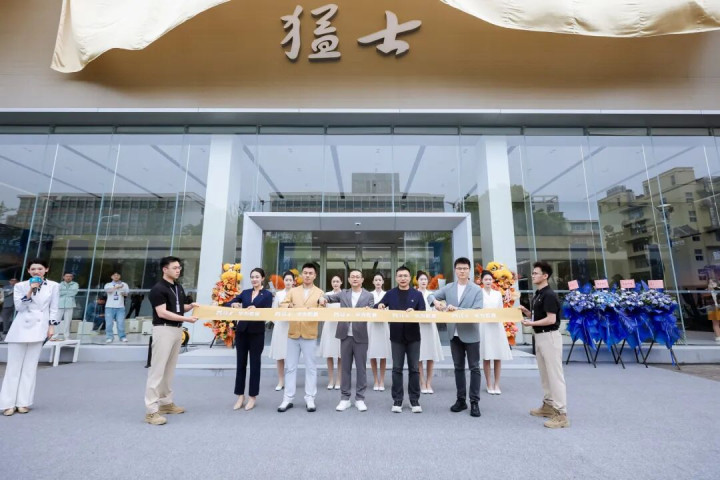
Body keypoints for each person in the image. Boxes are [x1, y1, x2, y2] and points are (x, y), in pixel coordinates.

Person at [144, 256, 199, 426]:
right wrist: (187, 319)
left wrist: (191, 307)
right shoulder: (158, 289)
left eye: (179, 267)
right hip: (163, 330)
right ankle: (151, 411)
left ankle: (166, 403)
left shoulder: (177, 287)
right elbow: (162, 312)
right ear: (165, 269)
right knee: (157, 371)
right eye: (174, 267)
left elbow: (178, 308)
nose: (178, 270)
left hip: (177, 330)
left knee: (169, 370)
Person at [1, 259, 59, 416]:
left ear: (46, 270)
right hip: (20, 328)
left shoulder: (53, 286)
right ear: (28, 271)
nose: (36, 271)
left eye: (40, 268)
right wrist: (30, 290)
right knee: (13, 367)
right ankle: (7, 404)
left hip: (39, 328)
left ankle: (23, 402)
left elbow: (54, 307)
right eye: (33, 269)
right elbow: (19, 307)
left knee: (30, 367)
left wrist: (51, 327)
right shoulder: (20, 286)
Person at [428, 257, 484, 418]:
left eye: (465, 268)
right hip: (454, 334)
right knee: (458, 368)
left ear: (469, 270)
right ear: (455, 270)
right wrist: (436, 303)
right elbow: (430, 295)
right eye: (459, 268)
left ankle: (474, 402)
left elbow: (477, 311)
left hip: (471, 333)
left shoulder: (476, 289)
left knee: (474, 368)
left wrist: (457, 309)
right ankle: (461, 400)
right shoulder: (449, 287)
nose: (462, 271)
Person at [519, 261, 570, 429]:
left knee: (555, 376)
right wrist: (527, 313)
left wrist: (531, 324)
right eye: (533, 273)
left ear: (545, 276)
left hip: (549, 337)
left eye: (536, 273)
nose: (532, 275)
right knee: (545, 375)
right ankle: (548, 405)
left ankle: (561, 414)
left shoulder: (549, 294)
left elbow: (551, 319)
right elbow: (538, 316)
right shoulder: (538, 294)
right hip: (540, 337)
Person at [319, 269, 375, 412]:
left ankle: (360, 399)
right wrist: (322, 298)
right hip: (345, 335)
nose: (355, 279)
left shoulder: (369, 295)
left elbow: (373, 310)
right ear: (349, 280)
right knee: (345, 368)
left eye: (357, 277)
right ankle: (345, 398)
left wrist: (369, 309)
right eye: (352, 277)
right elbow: (329, 297)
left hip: (361, 335)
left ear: (362, 280)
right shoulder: (343, 293)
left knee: (361, 369)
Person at [377, 266, 426, 413]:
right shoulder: (390, 294)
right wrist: (380, 305)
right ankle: (397, 400)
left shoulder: (417, 294)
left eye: (405, 276)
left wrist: (415, 312)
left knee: (414, 369)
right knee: (397, 369)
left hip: (413, 337)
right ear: (396, 278)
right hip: (396, 336)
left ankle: (414, 400)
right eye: (400, 276)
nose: (403, 278)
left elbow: (423, 312)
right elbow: (378, 306)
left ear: (410, 278)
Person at [278, 262, 324, 413]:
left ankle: (310, 398)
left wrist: (321, 305)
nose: (307, 275)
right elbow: (282, 305)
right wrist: (290, 307)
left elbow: (322, 311)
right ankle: (287, 399)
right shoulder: (293, 291)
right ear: (301, 274)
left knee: (311, 367)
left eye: (310, 273)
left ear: (315, 275)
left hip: (309, 333)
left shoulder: (319, 292)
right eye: (305, 273)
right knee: (290, 367)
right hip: (293, 333)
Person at [228, 267, 273, 411]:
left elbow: (268, 310)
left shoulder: (267, 294)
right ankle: (240, 396)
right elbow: (231, 302)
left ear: (262, 278)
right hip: (242, 332)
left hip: (256, 333)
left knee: (255, 365)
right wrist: (234, 303)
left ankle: (252, 396)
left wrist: (256, 310)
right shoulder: (245, 292)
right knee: (240, 364)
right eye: (252, 277)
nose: (254, 279)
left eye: (257, 277)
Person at [478, 270, 512, 394]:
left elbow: (500, 310)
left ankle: (497, 384)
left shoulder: (497, 294)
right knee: (486, 355)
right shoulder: (479, 293)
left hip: (496, 326)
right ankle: (489, 384)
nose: (488, 281)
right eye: (486, 279)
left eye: (490, 279)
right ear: (482, 281)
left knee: (497, 355)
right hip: (484, 326)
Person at [415, 270, 444, 394]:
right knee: (419, 356)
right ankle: (422, 382)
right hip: (418, 327)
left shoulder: (432, 295)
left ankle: (429, 383)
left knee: (430, 355)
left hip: (430, 327)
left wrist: (439, 308)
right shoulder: (413, 294)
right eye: (421, 279)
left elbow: (437, 310)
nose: (423, 281)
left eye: (425, 279)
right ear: (417, 281)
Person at [267, 271, 295, 391]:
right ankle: (281, 380)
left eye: (290, 280)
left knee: (291, 356)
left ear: (293, 281)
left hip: (292, 327)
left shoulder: (297, 294)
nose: (288, 282)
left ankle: (290, 380)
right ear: (283, 281)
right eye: (286, 280)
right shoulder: (279, 294)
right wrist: (278, 322)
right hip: (280, 328)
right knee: (280, 355)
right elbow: (274, 311)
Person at [317, 275, 342, 389]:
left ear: (341, 282)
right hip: (329, 327)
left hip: (340, 326)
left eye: (337, 281)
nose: (335, 283)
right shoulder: (326, 295)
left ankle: (339, 380)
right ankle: (331, 380)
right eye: (333, 281)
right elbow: (321, 308)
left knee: (340, 355)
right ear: (331, 283)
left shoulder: (344, 295)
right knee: (329, 354)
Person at [368, 272, 391, 391]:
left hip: (383, 326)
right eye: (376, 280)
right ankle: (375, 380)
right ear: (373, 282)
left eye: (379, 280)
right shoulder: (369, 294)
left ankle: (381, 380)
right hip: (372, 326)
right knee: (372, 353)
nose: (377, 282)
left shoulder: (387, 294)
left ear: (383, 282)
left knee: (383, 353)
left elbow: (390, 310)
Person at [104, 272, 129, 343]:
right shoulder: (108, 284)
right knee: (109, 323)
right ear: (111, 277)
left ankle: (122, 337)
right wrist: (116, 287)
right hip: (109, 307)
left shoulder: (124, 284)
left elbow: (126, 294)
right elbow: (108, 291)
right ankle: (109, 337)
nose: (116, 276)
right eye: (114, 275)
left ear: (120, 276)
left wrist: (123, 292)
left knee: (120, 323)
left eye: (117, 275)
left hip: (120, 307)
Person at [53, 272, 79, 341]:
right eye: (67, 276)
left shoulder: (75, 284)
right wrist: (67, 291)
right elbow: (58, 293)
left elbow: (73, 293)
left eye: (70, 276)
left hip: (70, 305)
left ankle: (66, 336)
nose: (68, 277)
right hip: (60, 304)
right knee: (57, 320)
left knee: (67, 321)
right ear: (63, 277)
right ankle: (54, 335)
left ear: (72, 277)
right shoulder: (59, 284)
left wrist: (64, 292)